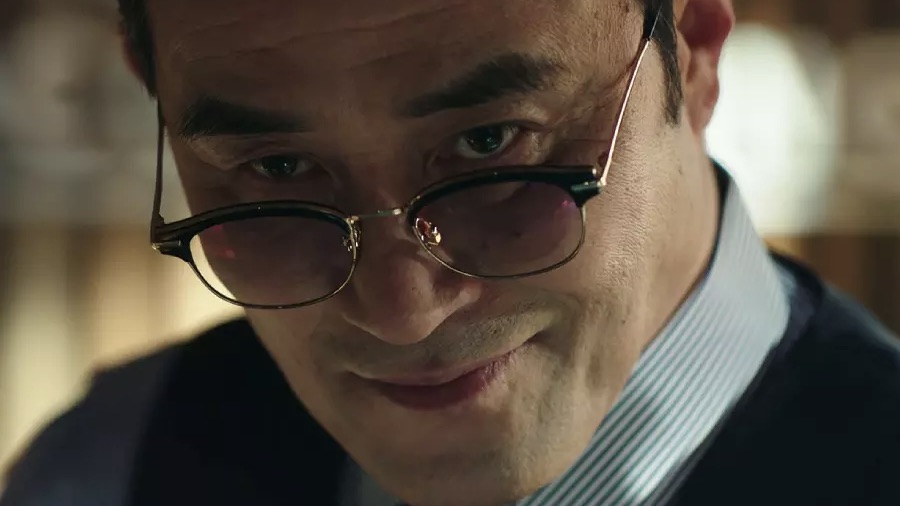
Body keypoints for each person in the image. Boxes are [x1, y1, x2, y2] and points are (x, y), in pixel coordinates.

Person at [2, 0, 899, 504]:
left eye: (489, 145)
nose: (399, 312)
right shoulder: (105, 473)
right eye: (277, 168)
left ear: (694, 49)